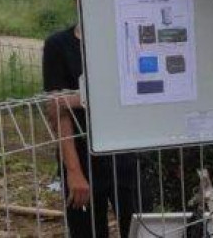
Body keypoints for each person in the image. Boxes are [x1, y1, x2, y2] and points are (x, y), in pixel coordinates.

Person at [44, 22, 141, 238]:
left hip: (127, 158)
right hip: (82, 159)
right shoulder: (58, 45)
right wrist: (74, 172)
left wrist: (76, 99)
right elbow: (56, 110)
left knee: (140, 229)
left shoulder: (123, 40)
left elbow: (136, 91)